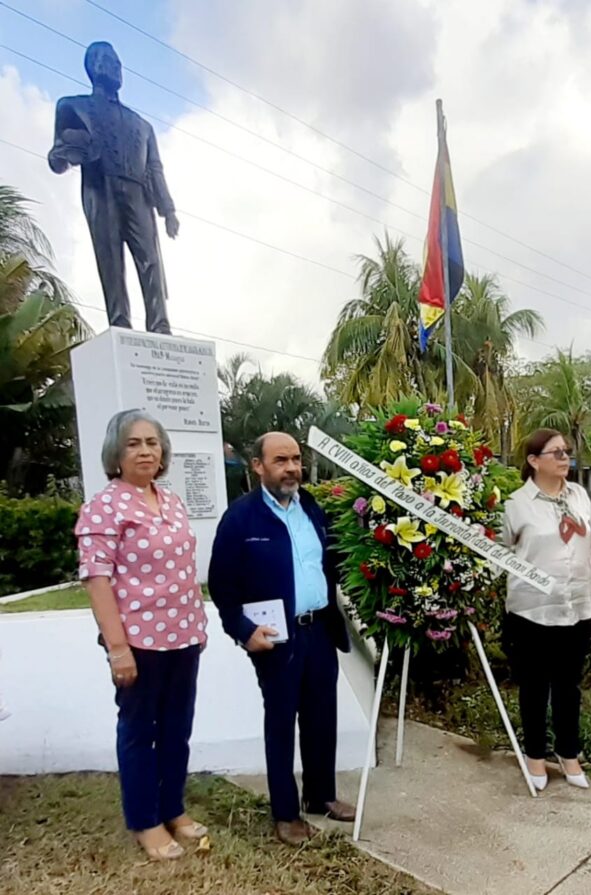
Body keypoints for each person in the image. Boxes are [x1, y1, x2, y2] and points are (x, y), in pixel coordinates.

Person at [208, 431, 354, 846]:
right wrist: (243, 631)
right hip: (277, 638)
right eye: (281, 460)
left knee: (322, 718)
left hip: (320, 631)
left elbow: (332, 562)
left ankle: (320, 795)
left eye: (295, 459)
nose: (292, 468)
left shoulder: (310, 506)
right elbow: (222, 585)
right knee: (281, 724)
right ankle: (286, 814)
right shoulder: (240, 519)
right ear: (258, 466)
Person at [75, 409, 208, 860]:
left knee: (177, 728)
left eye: (153, 442)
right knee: (138, 731)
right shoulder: (104, 506)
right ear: (116, 452)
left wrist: (199, 626)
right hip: (138, 644)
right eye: (134, 443)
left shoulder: (171, 501)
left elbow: (185, 570)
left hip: (184, 637)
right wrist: (117, 649)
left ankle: (172, 808)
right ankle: (145, 820)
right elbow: (97, 580)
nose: (146, 451)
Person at [502, 428, 591, 791]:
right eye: (555, 453)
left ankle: (569, 754)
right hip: (531, 612)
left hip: (577, 607)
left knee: (569, 687)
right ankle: (535, 757)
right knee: (534, 688)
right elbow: (499, 553)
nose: (564, 458)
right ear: (534, 461)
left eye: (566, 452)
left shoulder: (580, 496)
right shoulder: (515, 504)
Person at [48, 42, 178, 334]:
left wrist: (167, 208)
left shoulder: (141, 124)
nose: (117, 67)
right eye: (109, 61)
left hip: (138, 193)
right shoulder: (73, 106)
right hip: (101, 187)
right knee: (111, 260)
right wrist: (67, 152)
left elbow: (155, 168)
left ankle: (160, 324)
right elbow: (57, 157)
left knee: (150, 260)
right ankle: (120, 323)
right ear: (93, 67)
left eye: (119, 62)